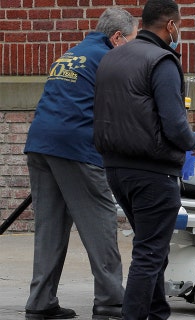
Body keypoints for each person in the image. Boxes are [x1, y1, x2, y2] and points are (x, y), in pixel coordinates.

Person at [92, 0, 195, 319]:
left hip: (116, 169)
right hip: (153, 171)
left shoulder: (113, 57)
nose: (179, 30)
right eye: (179, 25)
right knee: (149, 252)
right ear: (170, 25)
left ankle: (157, 313)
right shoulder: (163, 61)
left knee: (150, 247)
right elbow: (174, 123)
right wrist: (194, 144)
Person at [22, 8, 137, 320]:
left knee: (50, 228)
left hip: (41, 144)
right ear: (117, 38)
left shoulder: (71, 53)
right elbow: (122, 110)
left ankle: (40, 303)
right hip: (75, 148)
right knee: (99, 223)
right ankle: (111, 301)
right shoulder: (110, 59)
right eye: (131, 40)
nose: (132, 47)